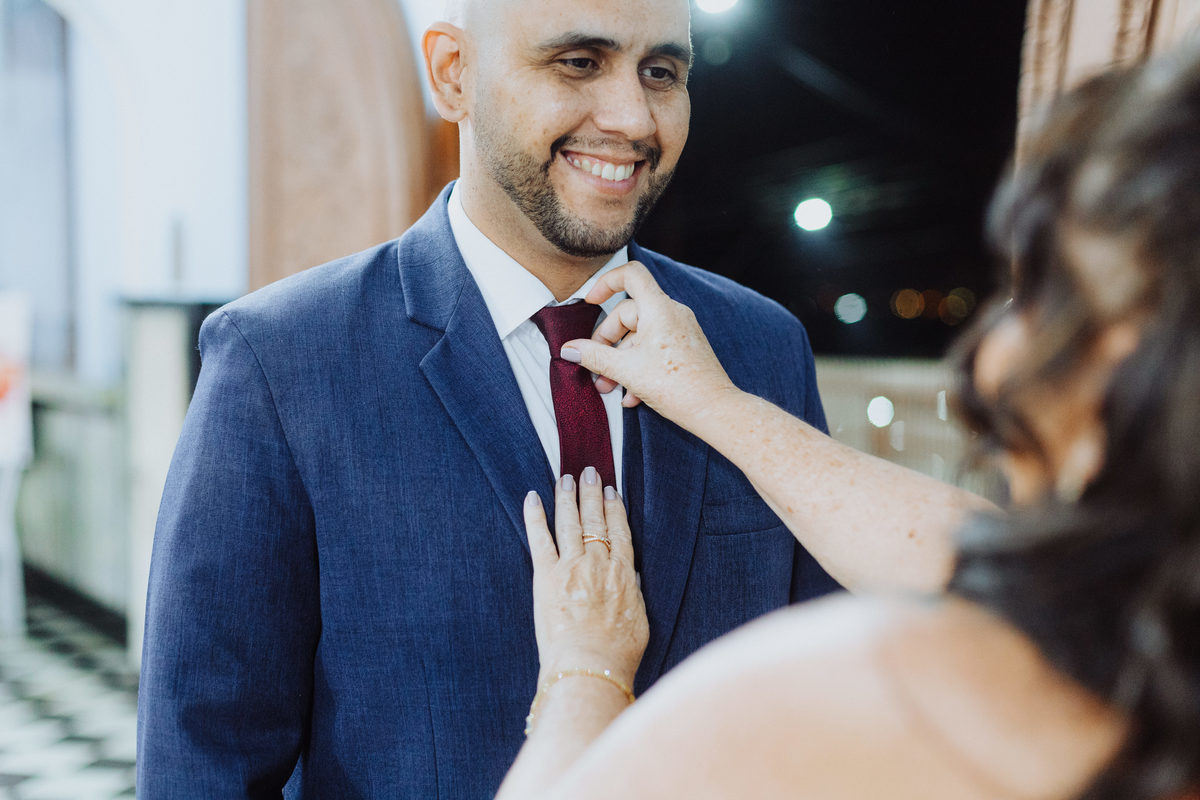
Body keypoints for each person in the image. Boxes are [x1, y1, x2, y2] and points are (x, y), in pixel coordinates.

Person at [136, 0, 841, 797]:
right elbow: (206, 763)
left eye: (662, 72)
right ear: (454, 74)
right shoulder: (279, 363)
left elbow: (822, 701)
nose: (632, 117)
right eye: (578, 62)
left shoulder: (762, 347)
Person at [491, 42, 1200, 800]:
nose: (992, 360)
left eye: (1048, 299)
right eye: (576, 62)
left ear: (1128, 376)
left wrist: (583, 674)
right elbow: (985, 557)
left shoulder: (867, 696)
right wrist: (721, 408)